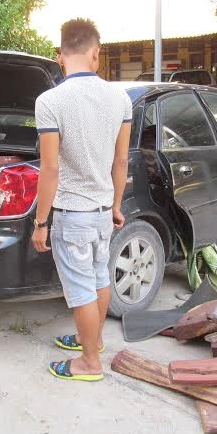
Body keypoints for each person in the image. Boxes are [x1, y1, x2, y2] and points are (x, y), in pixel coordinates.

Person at [32, 19, 132, 381]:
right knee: (98, 279)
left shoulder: (50, 102)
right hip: (104, 211)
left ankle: (89, 363)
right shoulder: (120, 98)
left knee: (80, 290)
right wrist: (117, 204)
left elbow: (50, 169)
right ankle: (92, 341)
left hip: (72, 215)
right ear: (95, 53)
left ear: (60, 56)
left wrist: (40, 222)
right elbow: (121, 161)